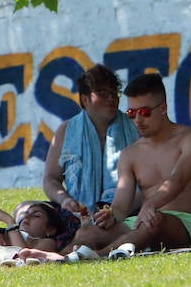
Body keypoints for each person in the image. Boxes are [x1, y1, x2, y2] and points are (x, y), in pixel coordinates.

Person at [71, 72, 191, 256]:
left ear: (163, 108)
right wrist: (111, 216)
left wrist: (150, 204)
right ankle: (55, 256)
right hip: (140, 223)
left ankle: (99, 256)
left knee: (155, 220)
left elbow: (178, 179)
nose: (138, 120)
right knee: (86, 233)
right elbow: (121, 207)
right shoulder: (130, 154)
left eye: (144, 112)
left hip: (184, 223)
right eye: (131, 113)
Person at [42, 63, 139, 223]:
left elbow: (150, 182)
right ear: (85, 99)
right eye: (102, 93)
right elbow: (50, 179)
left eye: (114, 93)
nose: (111, 98)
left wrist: (117, 209)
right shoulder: (66, 130)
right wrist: (65, 200)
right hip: (79, 212)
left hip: (127, 209)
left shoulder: (135, 126)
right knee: (27, 210)